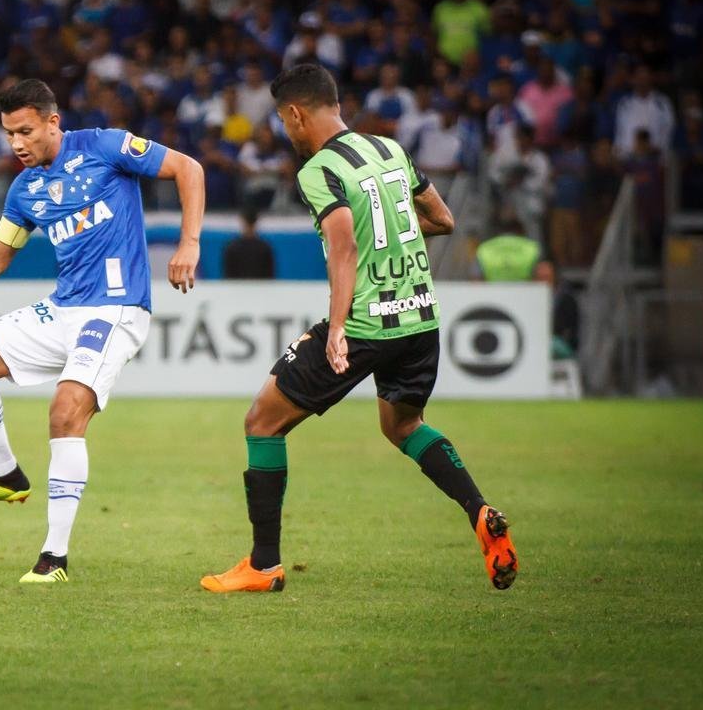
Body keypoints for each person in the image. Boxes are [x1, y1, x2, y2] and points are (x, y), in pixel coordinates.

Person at [200, 64, 517, 594]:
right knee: (403, 427)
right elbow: (443, 220)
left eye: (284, 120)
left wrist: (339, 328)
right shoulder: (389, 149)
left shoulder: (318, 170)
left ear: (297, 114)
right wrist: (390, 236)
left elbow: (343, 245)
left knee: (262, 422)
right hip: (419, 317)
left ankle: (263, 565)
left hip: (367, 322)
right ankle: (479, 510)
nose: (286, 131)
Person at [0, 79, 205, 584]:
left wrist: (188, 243)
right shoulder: (25, 189)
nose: (16, 143)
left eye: (25, 131)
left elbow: (189, 168)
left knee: (64, 412)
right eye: (9, 133)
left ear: (53, 122)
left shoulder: (105, 145)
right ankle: (6, 474)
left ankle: (54, 559)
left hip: (116, 310)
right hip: (63, 308)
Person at [222, 206, 276, 279]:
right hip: (260, 289)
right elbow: (270, 278)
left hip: (237, 289)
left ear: (242, 220)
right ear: (256, 220)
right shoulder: (265, 248)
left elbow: (228, 277)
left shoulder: (232, 248)